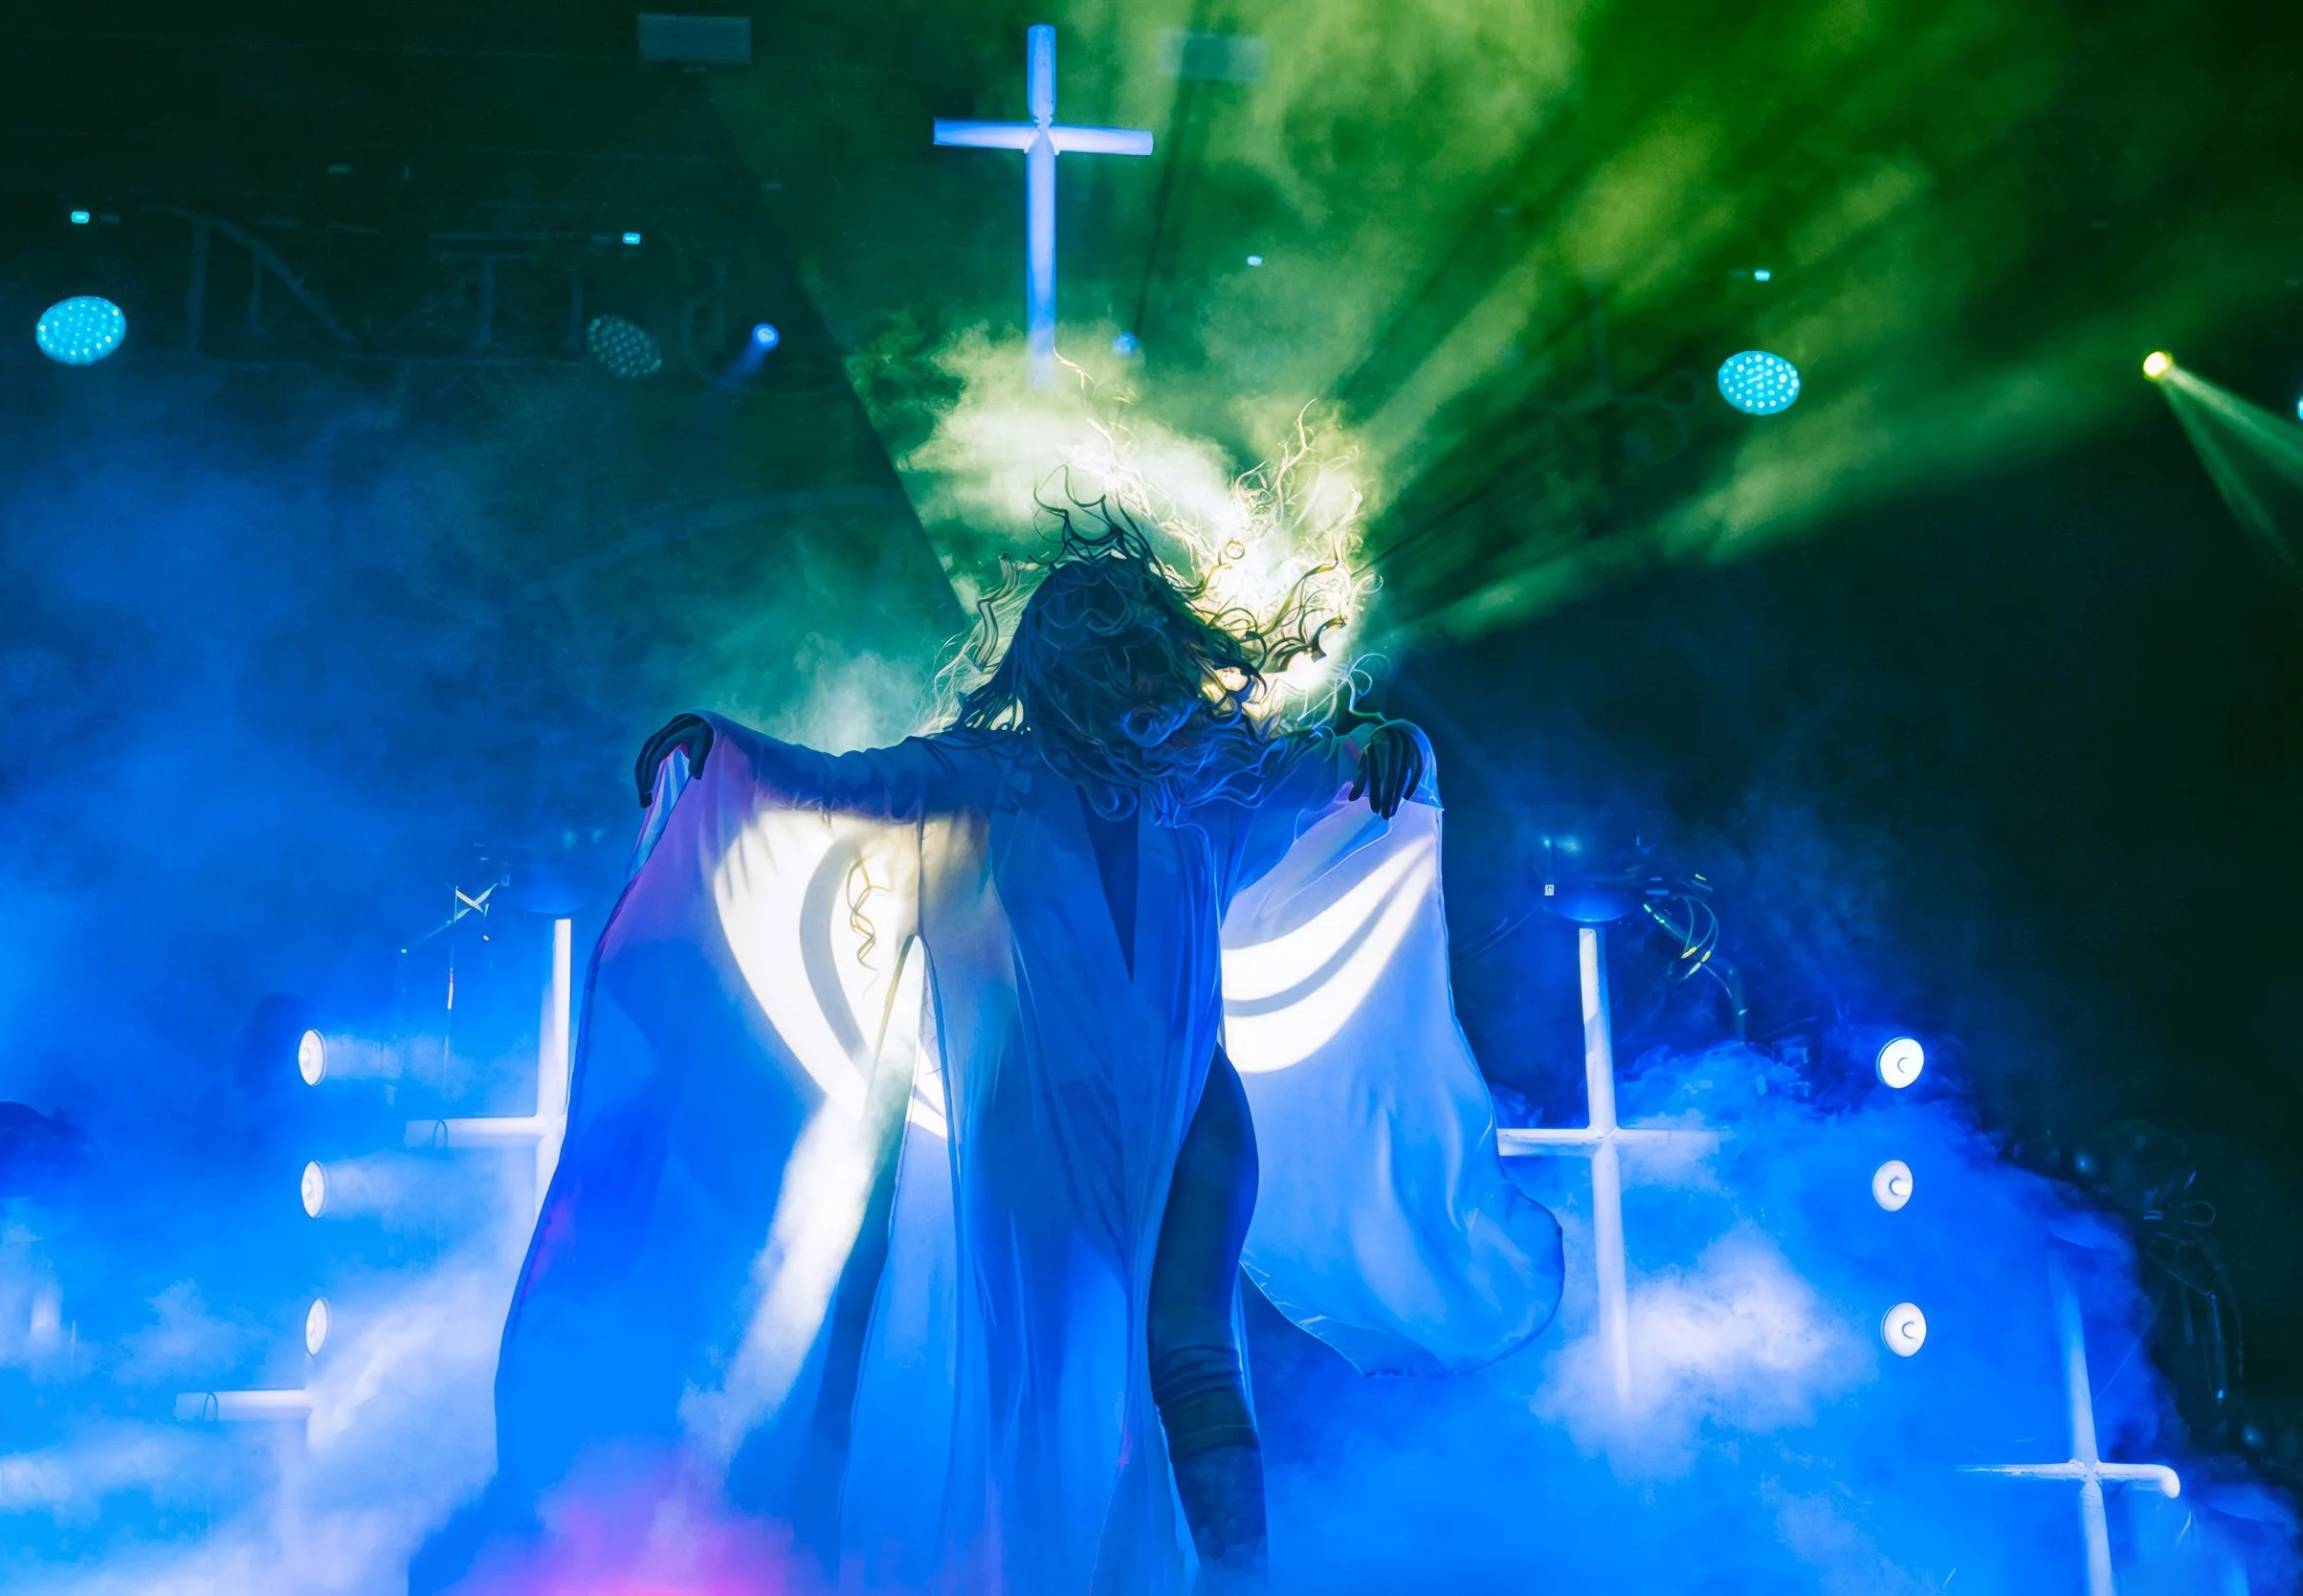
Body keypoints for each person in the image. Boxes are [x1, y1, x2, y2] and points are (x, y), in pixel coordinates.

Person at [426, 521, 1561, 1595]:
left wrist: (1389, 747)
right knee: (1042, 1366)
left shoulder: (1209, 786)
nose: (1143, 680)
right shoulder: (978, 776)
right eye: (1116, 659)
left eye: (1150, 654)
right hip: (1036, 1119)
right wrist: (721, 750)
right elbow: (834, 785)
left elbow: (1343, 771)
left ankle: (1234, 1582)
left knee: (1191, 1350)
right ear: (1066, 672)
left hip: (1188, 1108)